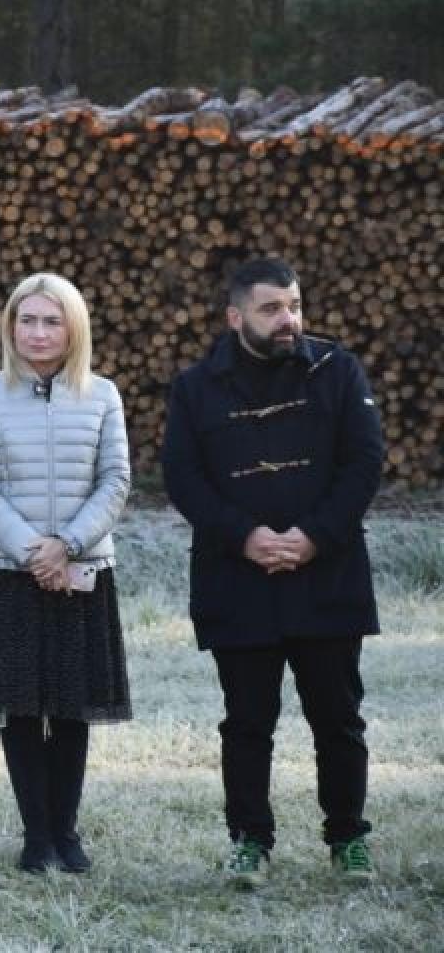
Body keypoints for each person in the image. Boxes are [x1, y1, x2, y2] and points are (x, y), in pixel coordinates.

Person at [161, 257, 383, 890]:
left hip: (328, 575)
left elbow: (365, 463)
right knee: (248, 720)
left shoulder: (338, 372)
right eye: (270, 308)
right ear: (236, 317)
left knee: (339, 717)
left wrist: (313, 537)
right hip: (237, 578)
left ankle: (348, 839)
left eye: (293, 305)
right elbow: (183, 477)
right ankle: (250, 843)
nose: (287, 319)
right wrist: (245, 536)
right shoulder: (196, 387)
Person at [0, 272, 132, 874]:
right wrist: (34, 550)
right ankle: (36, 836)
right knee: (25, 707)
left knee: (73, 707)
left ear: (73, 328)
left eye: (51, 321)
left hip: (83, 570)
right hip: (12, 572)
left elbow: (116, 480)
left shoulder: (103, 394)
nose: (37, 332)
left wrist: (70, 544)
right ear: (11, 327)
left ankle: (67, 830)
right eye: (26, 320)